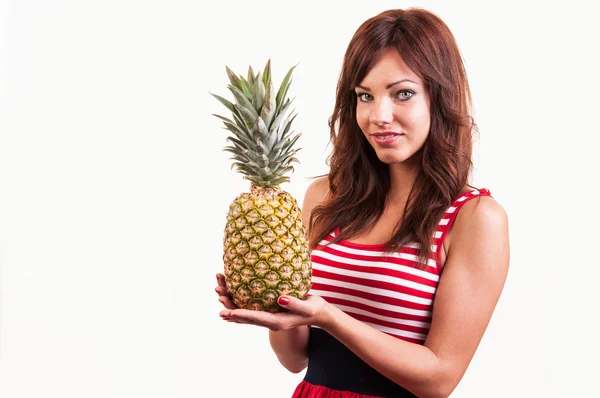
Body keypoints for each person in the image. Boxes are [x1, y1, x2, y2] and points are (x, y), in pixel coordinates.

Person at [216, 7, 510, 398]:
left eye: (402, 93)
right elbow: (295, 359)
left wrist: (331, 318)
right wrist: (273, 312)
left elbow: (439, 379)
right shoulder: (325, 197)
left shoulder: (475, 219)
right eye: (364, 96)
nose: (378, 116)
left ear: (439, 98)